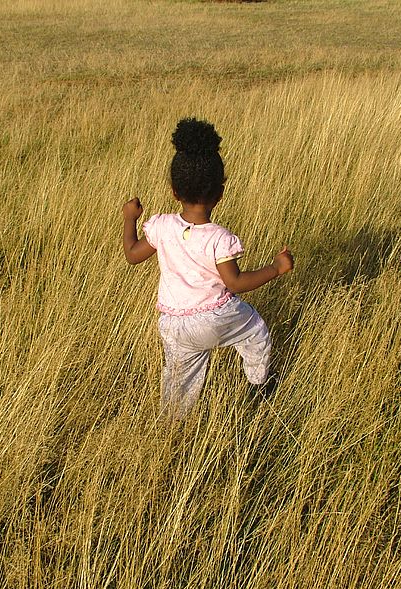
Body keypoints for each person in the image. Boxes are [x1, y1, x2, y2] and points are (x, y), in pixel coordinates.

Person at [121, 117, 294, 420]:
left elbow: (133, 255)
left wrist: (129, 219)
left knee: (178, 382)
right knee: (254, 331)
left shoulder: (162, 226)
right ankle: (259, 384)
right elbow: (236, 283)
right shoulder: (219, 238)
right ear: (220, 193)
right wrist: (276, 268)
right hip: (216, 317)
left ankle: (173, 423)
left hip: (173, 324)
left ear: (174, 191)